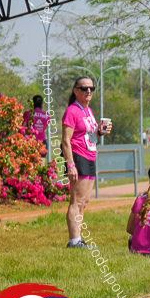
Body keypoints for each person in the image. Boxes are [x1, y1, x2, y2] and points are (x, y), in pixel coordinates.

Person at [62, 77, 112, 248]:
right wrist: (70, 164)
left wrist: (99, 132)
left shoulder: (88, 111)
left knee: (84, 201)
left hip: (90, 156)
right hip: (78, 157)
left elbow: (90, 137)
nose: (88, 91)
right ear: (76, 91)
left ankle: (78, 238)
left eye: (91, 88)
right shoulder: (72, 111)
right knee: (76, 201)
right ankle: (74, 240)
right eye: (84, 88)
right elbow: (66, 141)